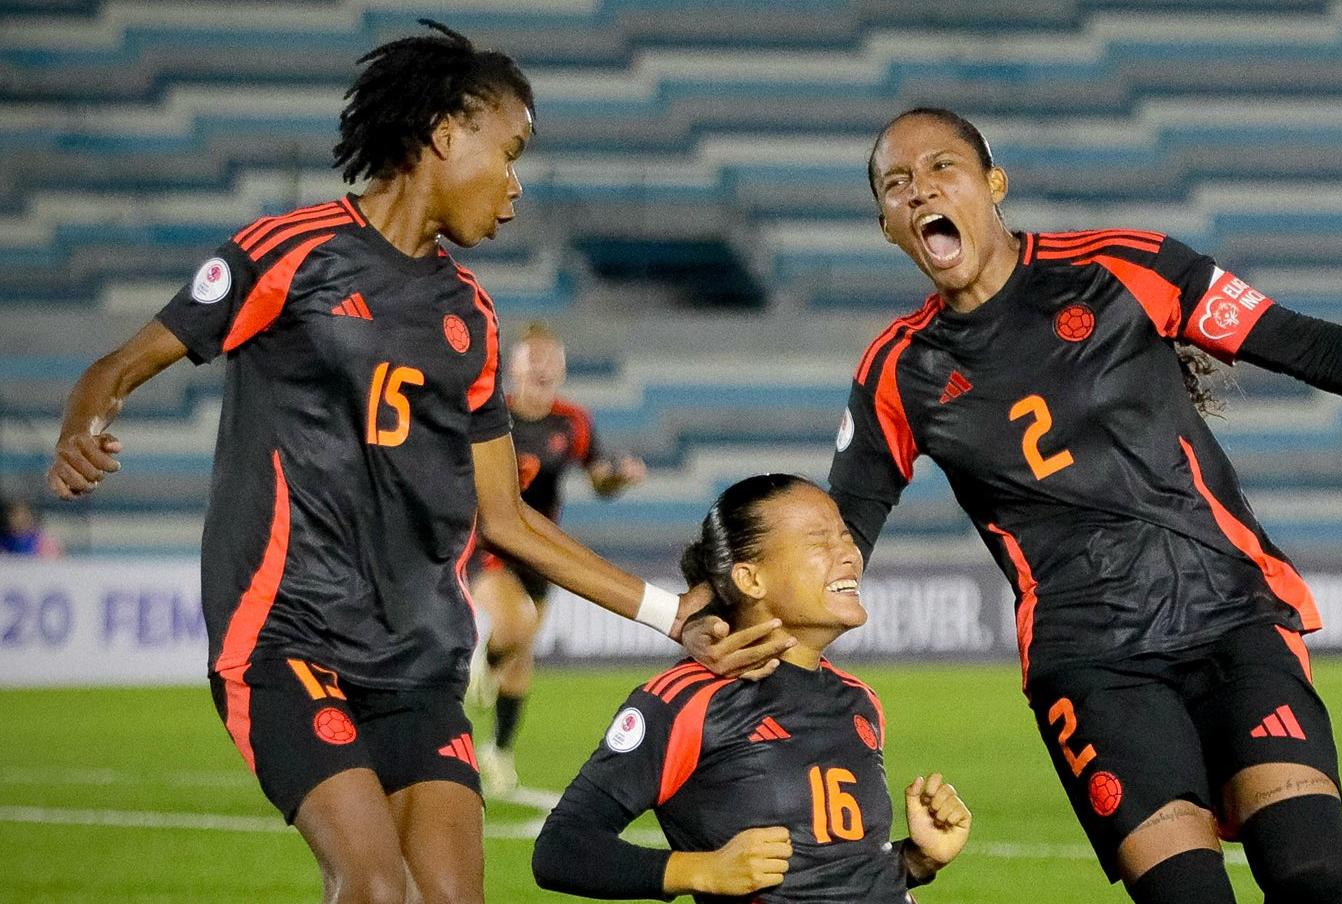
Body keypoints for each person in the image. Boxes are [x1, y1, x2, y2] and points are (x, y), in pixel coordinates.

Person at [44, 21, 780, 904]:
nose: (514, 191)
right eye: (508, 155)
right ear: (444, 134)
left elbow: (505, 519)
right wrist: (87, 417)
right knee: (373, 887)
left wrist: (673, 615)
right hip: (285, 640)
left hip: (418, 658)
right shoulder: (290, 252)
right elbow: (119, 365)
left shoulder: (469, 318)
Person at [831, 107, 1342, 904]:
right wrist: (746, 610)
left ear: (993, 184)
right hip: (1092, 659)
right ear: (887, 226)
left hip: (1232, 613)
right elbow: (840, 535)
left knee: (1314, 876)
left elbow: (1300, 341)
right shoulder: (900, 373)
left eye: (942, 167)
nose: (920, 191)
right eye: (898, 185)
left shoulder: (1122, 265)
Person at [533, 474, 972, 902]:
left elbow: (832, 873)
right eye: (821, 542)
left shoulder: (860, 700)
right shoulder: (686, 700)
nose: (849, 554)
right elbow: (561, 849)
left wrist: (914, 861)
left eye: (844, 536)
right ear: (750, 579)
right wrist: (700, 871)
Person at [470, 321, 648, 793]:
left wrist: (619, 478)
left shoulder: (572, 422)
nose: (544, 369)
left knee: (523, 651)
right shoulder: (493, 416)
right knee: (515, 624)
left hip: (540, 549)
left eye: (552, 360)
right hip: (490, 542)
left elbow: (598, 479)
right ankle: (480, 669)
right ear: (515, 366)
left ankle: (499, 750)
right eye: (535, 359)